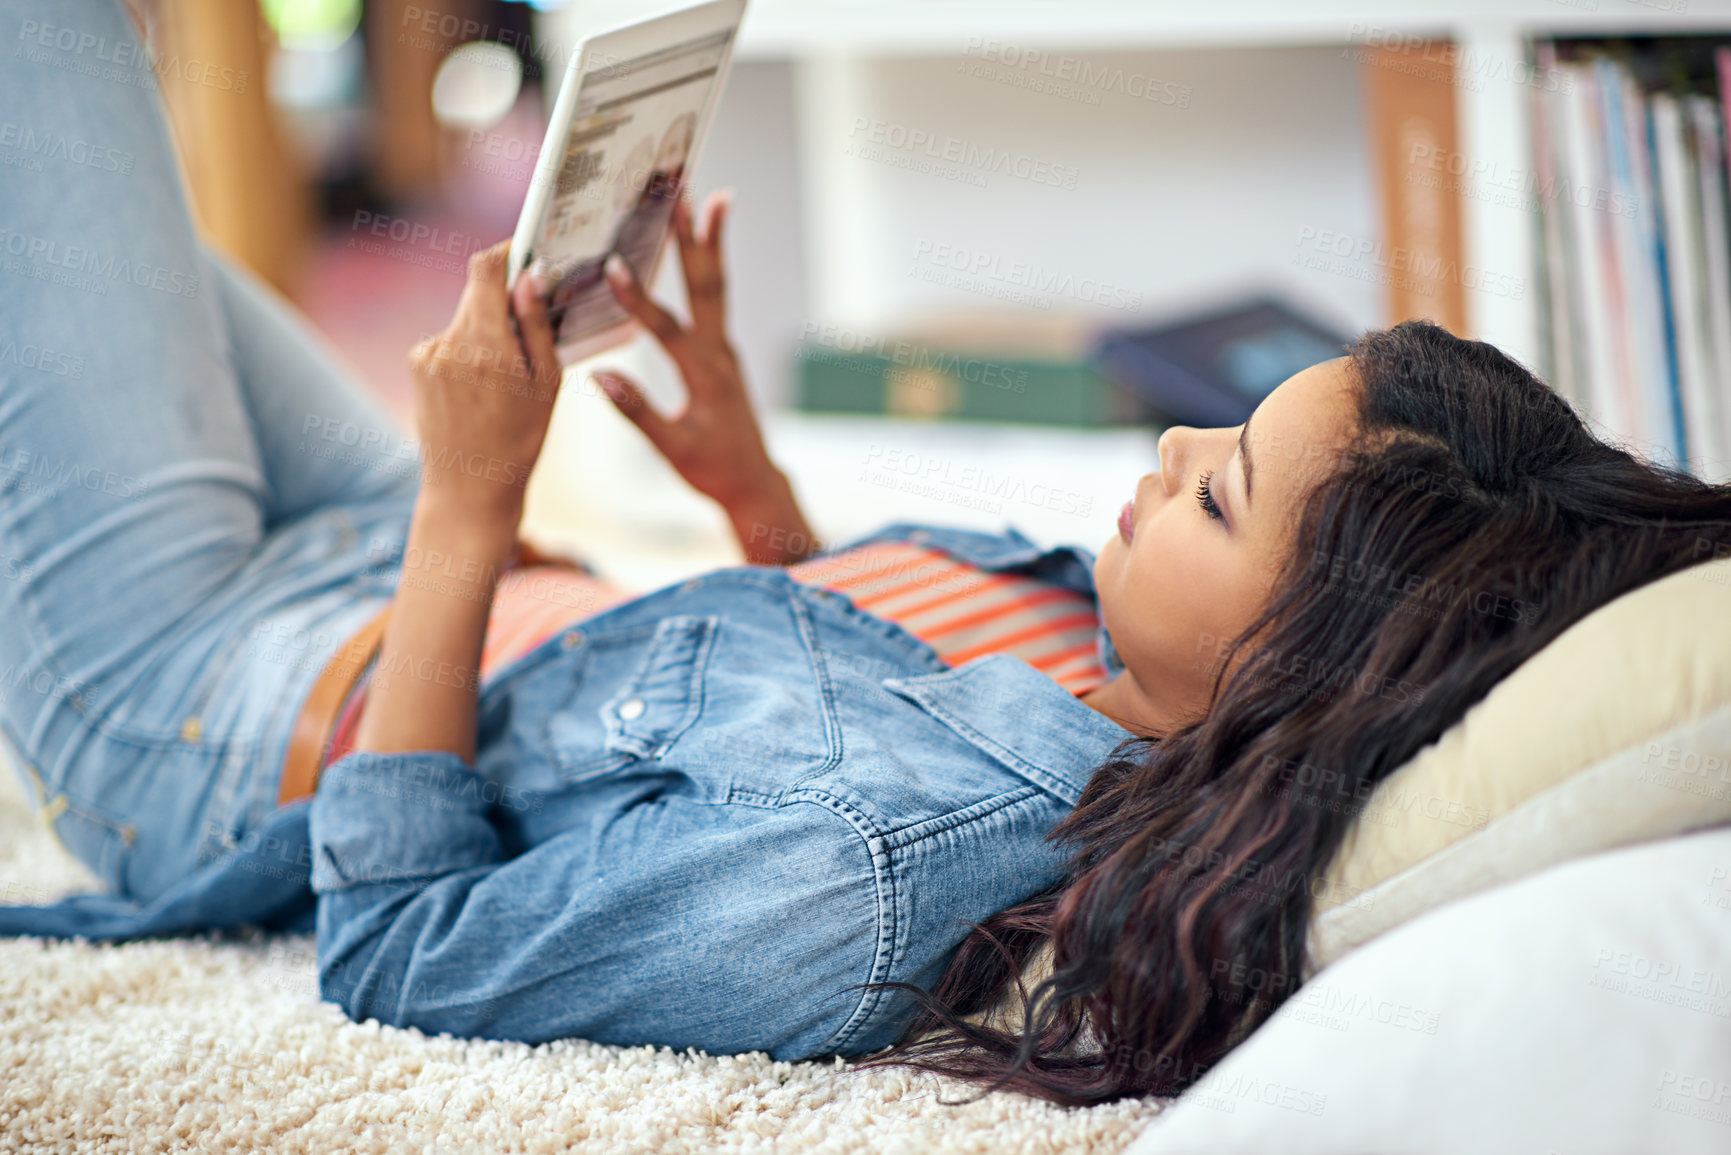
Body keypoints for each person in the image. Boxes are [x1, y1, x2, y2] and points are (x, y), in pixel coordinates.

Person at [5, 0, 1731, 1110]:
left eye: (1221, 495)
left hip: (228, 706)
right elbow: (854, 677)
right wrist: (756, 490)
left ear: (1300, 679)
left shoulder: (889, 875)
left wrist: (464, 515)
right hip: (403, 566)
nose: (1170, 447)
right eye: (1229, 432)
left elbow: (403, 948)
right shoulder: (1114, 656)